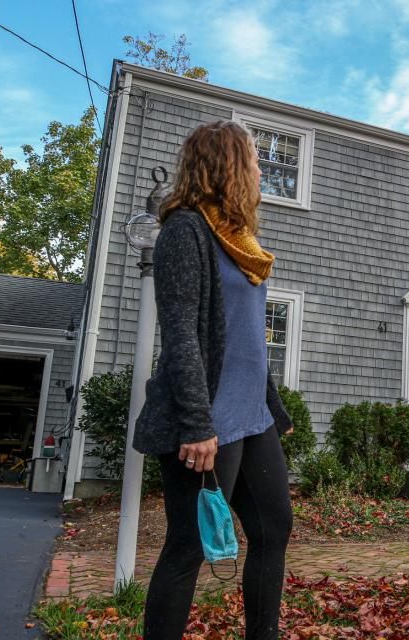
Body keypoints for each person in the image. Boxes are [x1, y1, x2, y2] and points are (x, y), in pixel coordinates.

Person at [133, 120, 294, 640]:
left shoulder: (240, 240)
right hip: (209, 422)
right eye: (252, 157)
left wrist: (274, 407)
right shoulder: (185, 231)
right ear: (227, 163)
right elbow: (179, 333)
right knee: (190, 547)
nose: (259, 167)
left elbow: (249, 340)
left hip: (253, 418)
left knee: (274, 529)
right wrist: (197, 424)